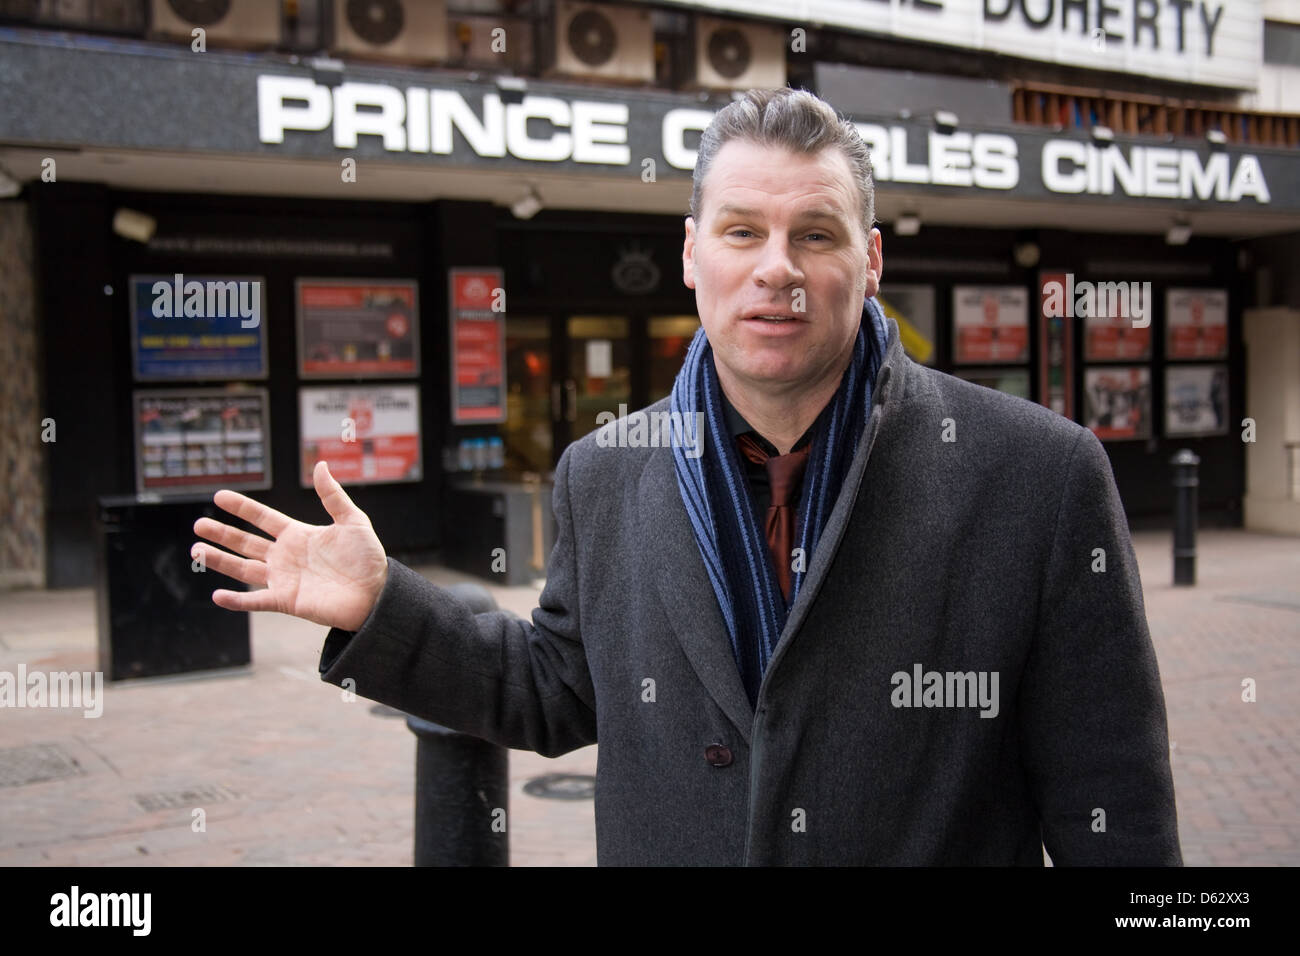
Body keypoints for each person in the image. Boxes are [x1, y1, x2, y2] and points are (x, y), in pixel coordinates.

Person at [193, 88, 1181, 866]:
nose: (776, 268)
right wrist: (380, 607)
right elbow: (553, 687)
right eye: (742, 230)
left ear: (870, 259)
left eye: (816, 234)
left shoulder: (1039, 477)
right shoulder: (601, 474)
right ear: (691, 252)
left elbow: (1115, 802)